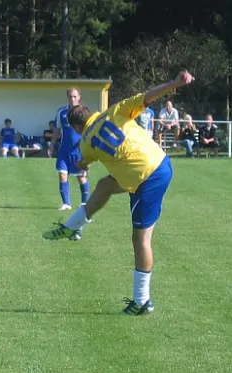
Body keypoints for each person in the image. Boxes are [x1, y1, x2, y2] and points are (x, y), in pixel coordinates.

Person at [42, 70, 195, 316]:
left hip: (147, 178)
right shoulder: (116, 110)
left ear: (78, 127)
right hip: (159, 163)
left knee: (140, 239)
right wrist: (176, 83)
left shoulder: (85, 142)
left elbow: (84, 162)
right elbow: (150, 95)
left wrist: (81, 164)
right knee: (105, 185)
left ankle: (142, 301)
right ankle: (73, 225)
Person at [52, 87, 90, 211]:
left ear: (79, 97)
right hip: (64, 150)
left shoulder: (84, 113)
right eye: (70, 96)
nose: (72, 99)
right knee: (62, 175)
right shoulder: (61, 112)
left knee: (81, 177)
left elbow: (89, 131)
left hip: (79, 151)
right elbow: (57, 130)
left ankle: (85, 204)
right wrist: (52, 145)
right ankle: (66, 204)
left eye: (75, 96)